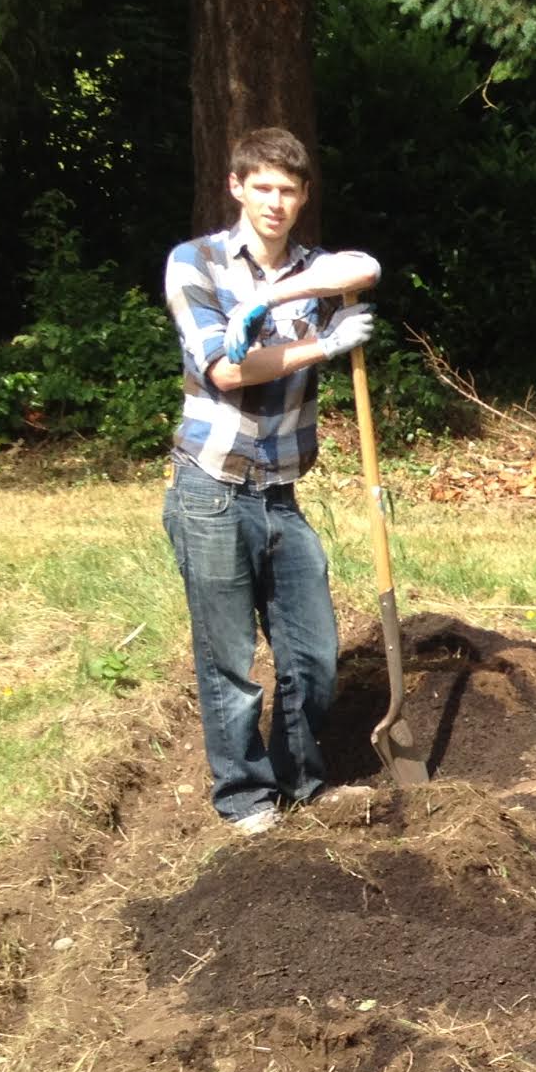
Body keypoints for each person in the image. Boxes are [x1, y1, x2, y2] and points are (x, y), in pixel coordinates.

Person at [161, 126, 380, 835]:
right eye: (262, 187)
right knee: (229, 661)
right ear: (236, 187)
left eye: (288, 190)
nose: (275, 202)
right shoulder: (193, 263)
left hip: (281, 491)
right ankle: (245, 797)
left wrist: (288, 292)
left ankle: (299, 779)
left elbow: (366, 266)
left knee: (314, 655)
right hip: (212, 488)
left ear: (303, 196)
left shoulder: (317, 264)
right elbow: (225, 370)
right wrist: (317, 343)